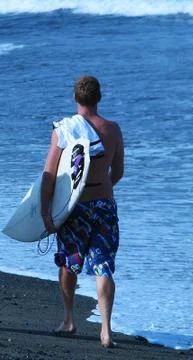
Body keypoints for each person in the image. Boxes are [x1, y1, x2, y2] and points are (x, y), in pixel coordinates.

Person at [40, 75, 124, 347]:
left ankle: (69, 319)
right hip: (105, 206)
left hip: (74, 209)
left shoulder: (64, 130)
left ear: (75, 98)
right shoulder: (113, 130)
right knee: (103, 266)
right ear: (99, 97)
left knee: (68, 263)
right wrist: (102, 192)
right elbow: (118, 172)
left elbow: (49, 175)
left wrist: (44, 212)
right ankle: (106, 330)